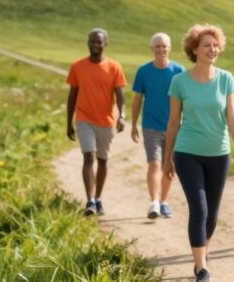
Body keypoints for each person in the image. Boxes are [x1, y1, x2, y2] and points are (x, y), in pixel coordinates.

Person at [163, 24, 234, 282]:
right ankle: (201, 268)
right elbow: (174, 122)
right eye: (207, 45)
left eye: (215, 45)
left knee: (212, 214)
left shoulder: (226, 79)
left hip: (219, 153)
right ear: (194, 50)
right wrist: (167, 158)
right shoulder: (180, 82)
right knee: (199, 209)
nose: (213, 49)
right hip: (188, 152)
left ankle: (201, 254)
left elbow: (232, 117)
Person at [66, 28, 126, 216]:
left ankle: (98, 198)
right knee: (89, 157)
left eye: (98, 42)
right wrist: (69, 122)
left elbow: (120, 95)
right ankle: (90, 201)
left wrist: (121, 115)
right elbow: (72, 95)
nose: (95, 45)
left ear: (105, 44)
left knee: (102, 160)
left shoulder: (114, 67)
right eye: (92, 41)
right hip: (84, 119)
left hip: (106, 121)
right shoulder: (77, 66)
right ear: (88, 43)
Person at [131, 32, 185, 219]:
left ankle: (164, 201)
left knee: (169, 165)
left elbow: (186, 99)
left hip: (174, 127)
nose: (161, 49)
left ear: (169, 48)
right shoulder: (143, 71)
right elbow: (138, 99)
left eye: (164, 46)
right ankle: (154, 202)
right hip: (151, 125)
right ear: (151, 49)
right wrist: (133, 125)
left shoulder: (179, 71)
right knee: (154, 164)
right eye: (157, 46)